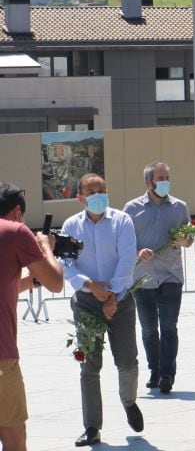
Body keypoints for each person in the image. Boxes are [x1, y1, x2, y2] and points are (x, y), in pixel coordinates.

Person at [61, 173, 143, 447]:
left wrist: (112, 296)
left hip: (120, 301)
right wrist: (90, 286)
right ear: (81, 197)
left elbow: (127, 260)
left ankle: (129, 401)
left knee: (128, 361)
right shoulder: (71, 226)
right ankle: (92, 426)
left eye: (103, 190)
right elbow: (67, 265)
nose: (99, 195)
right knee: (88, 365)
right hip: (86, 304)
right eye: (92, 192)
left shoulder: (122, 221)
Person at [0, 183, 64, 451]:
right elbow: (56, 282)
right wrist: (46, 246)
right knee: (14, 439)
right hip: (1, 356)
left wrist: (29, 282)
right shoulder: (15, 232)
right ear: (17, 212)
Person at [124, 162, 192, 395]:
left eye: (167, 177)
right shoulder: (131, 209)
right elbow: (123, 242)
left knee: (169, 326)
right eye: (160, 177)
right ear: (148, 182)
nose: (164, 181)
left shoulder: (180, 207)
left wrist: (186, 240)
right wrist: (137, 252)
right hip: (142, 278)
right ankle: (154, 369)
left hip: (171, 274)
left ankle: (167, 374)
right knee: (149, 328)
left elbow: (189, 235)